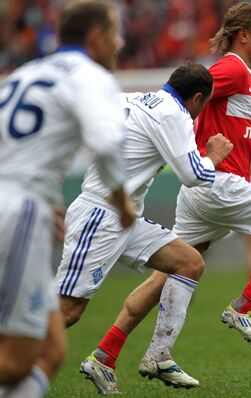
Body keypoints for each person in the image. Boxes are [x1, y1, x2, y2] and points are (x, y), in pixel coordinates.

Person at [83, 1, 251, 392]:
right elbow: (188, 95)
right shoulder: (229, 68)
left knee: (174, 269)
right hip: (220, 184)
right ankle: (245, 306)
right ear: (244, 35)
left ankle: (106, 354)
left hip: (204, 190)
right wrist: (190, 145)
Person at [54, 64, 233, 394]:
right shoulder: (174, 114)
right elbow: (193, 175)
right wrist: (214, 156)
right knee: (67, 311)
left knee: (188, 262)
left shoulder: (133, 98)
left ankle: (152, 356)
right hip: (100, 215)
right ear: (197, 98)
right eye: (204, 105)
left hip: (124, 216)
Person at [0, 1, 135, 397]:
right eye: (115, 32)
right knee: (15, 362)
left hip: (23, 202)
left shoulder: (24, 73)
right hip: (19, 210)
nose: (121, 41)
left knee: (52, 349)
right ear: (96, 36)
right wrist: (122, 201)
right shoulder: (90, 76)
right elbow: (107, 139)